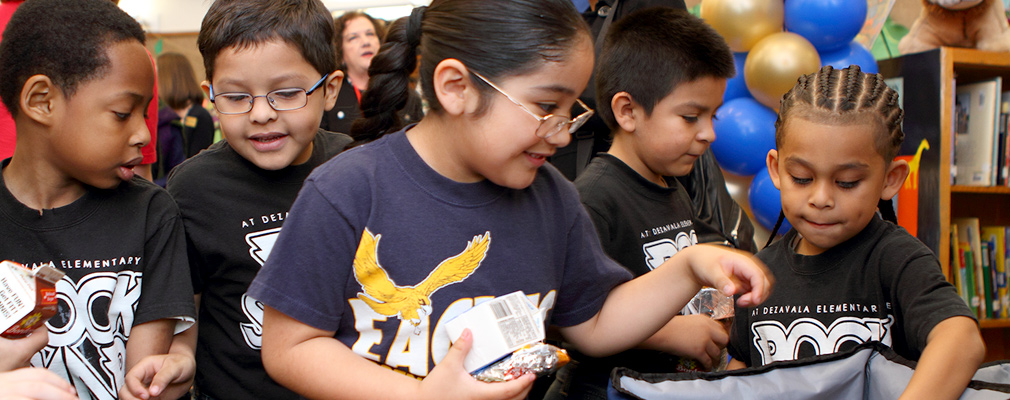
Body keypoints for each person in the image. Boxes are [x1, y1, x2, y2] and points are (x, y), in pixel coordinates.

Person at [246, 1, 772, 399]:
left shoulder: (554, 201)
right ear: (456, 88)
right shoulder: (346, 191)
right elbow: (290, 347)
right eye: (547, 105)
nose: (564, 134)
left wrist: (689, 268)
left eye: (572, 110)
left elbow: (593, 321)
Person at [726, 65, 985, 400]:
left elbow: (961, 339)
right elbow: (742, 370)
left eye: (847, 183)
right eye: (802, 177)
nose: (821, 199)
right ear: (776, 169)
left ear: (891, 179)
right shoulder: (760, 272)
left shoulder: (897, 259)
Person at [0, 1, 196, 400]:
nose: (144, 133)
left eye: (146, 112)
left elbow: (143, 380)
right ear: (41, 101)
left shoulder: (151, 214)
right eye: (123, 113)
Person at [544, 8, 737, 399]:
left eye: (712, 116)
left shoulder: (671, 185)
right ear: (628, 111)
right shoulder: (594, 199)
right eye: (690, 116)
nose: (709, 134)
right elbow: (567, 320)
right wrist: (668, 334)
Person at [165, 0, 352, 399]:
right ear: (210, 95)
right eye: (236, 97)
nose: (262, 113)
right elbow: (187, 305)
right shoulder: (193, 187)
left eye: (286, 93)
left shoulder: (353, 167)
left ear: (330, 89)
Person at [153, 52, 215, 186]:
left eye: (158, 76)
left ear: (170, 78)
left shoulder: (199, 116)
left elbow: (198, 166)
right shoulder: (163, 116)